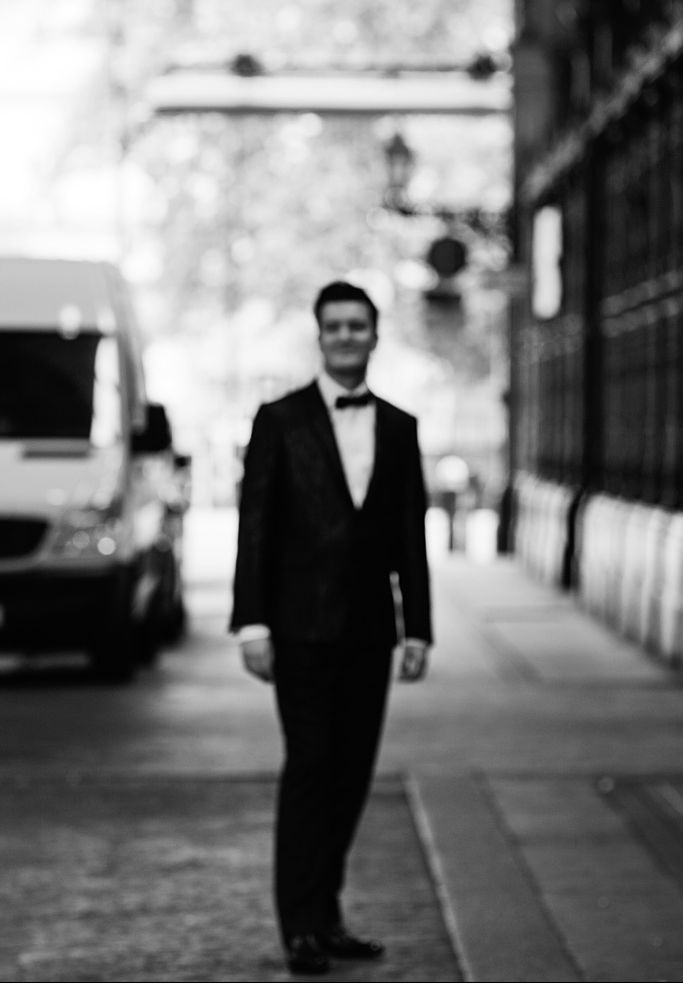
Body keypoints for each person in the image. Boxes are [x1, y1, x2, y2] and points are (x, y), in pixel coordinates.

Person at [232, 281, 432, 976]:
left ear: (375, 335)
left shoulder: (401, 426)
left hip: (372, 630)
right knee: (311, 767)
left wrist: (419, 629)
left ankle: (330, 914)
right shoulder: (278, 419)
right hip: (299, 627)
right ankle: (300, 927)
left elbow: (411, 532)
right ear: (319, 336)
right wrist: (251, 621)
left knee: (352, 774)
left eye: (358, 326)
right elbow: (255, 525)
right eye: (335, 326)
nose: (346, 336)